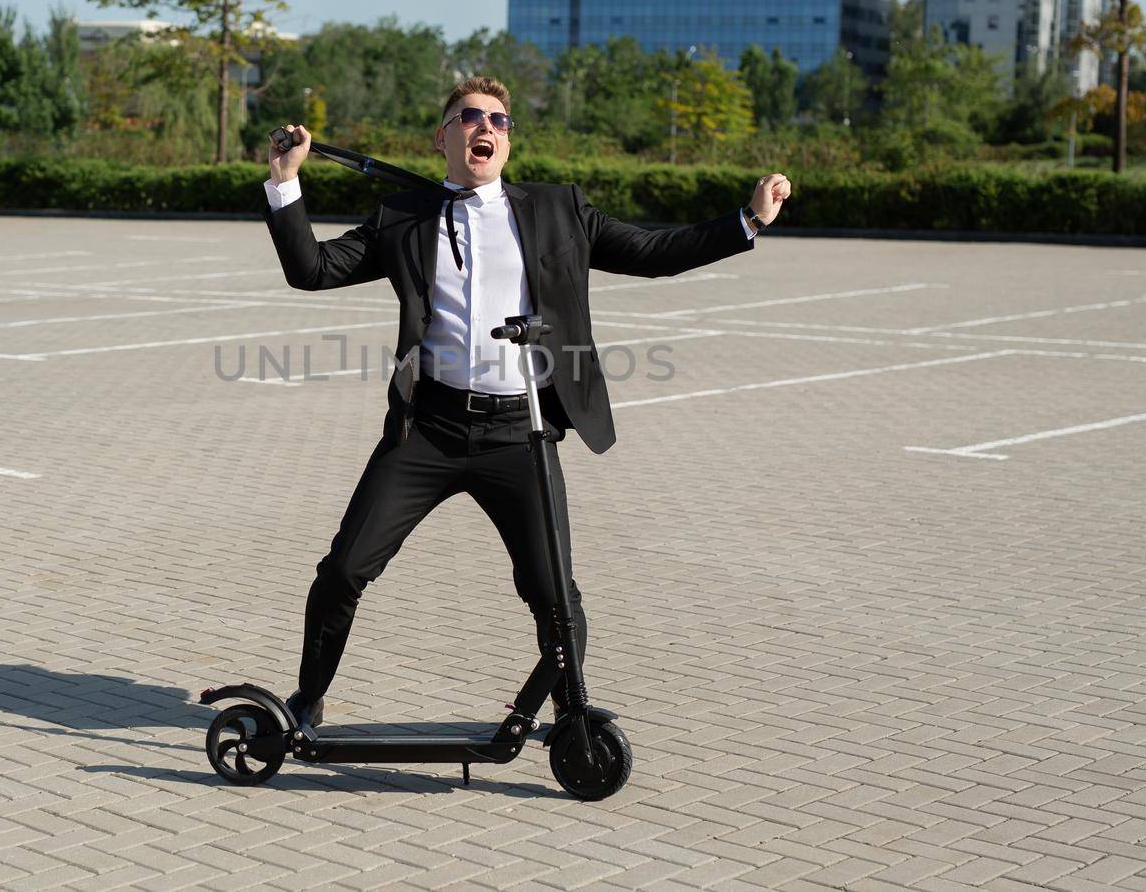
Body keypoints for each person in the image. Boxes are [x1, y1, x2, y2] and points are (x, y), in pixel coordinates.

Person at [263, 76, 790, 727]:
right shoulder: (402, 217)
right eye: (470, 116)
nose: (486, 126)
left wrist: (746, 219)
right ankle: (306, 699)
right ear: (444, 135)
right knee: (343, 569)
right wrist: (286, 180)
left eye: (500, 120)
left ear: (507, 139)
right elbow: (311, 268)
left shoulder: (557, 209)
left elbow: (652, 252)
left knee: (553, 593)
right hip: (426, 430)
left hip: (521, 430)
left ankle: (571, 715)